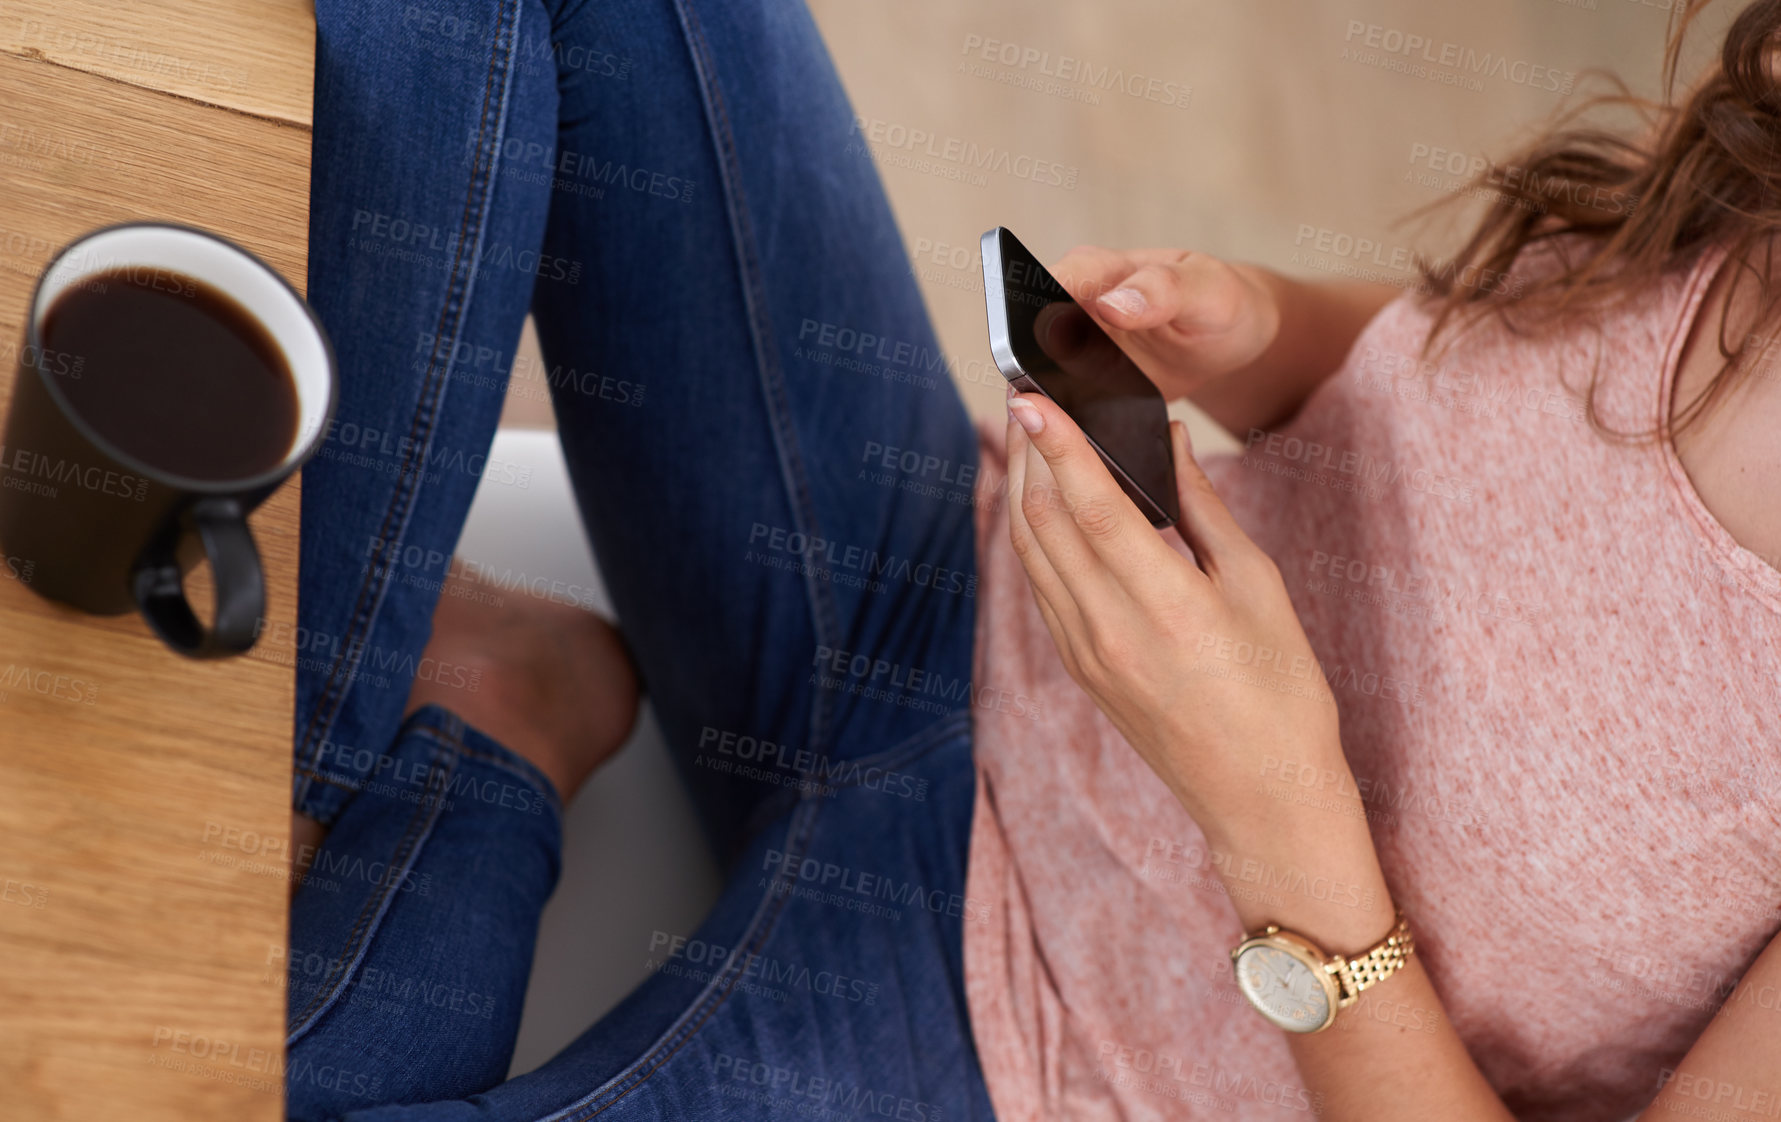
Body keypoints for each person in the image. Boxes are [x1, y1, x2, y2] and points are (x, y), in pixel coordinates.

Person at [283, 0, 1781, 1119]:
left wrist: (1273, 810)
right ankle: (275, 751)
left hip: (1030, 1057)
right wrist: (1254, 328)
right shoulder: (1755, 175)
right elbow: (1452, 380)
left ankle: (483, 745)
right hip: (947, 598)